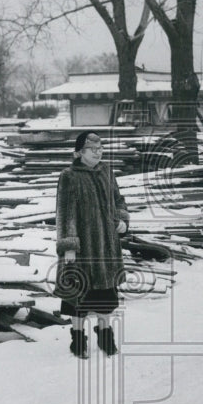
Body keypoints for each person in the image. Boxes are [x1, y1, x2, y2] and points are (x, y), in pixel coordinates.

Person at [54, 131, 129, 359]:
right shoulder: (69, 176)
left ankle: (105, 335)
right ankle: (78, 339)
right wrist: (69, 245)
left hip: (107, 245)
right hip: (82, 246)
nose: (98, 152)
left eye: (100, 148)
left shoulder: (107, 172)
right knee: (79, 296)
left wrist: (122, 220)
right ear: (79, 152)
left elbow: (118, 199)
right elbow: (65, 213)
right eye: (92, 149)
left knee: (106, 296)